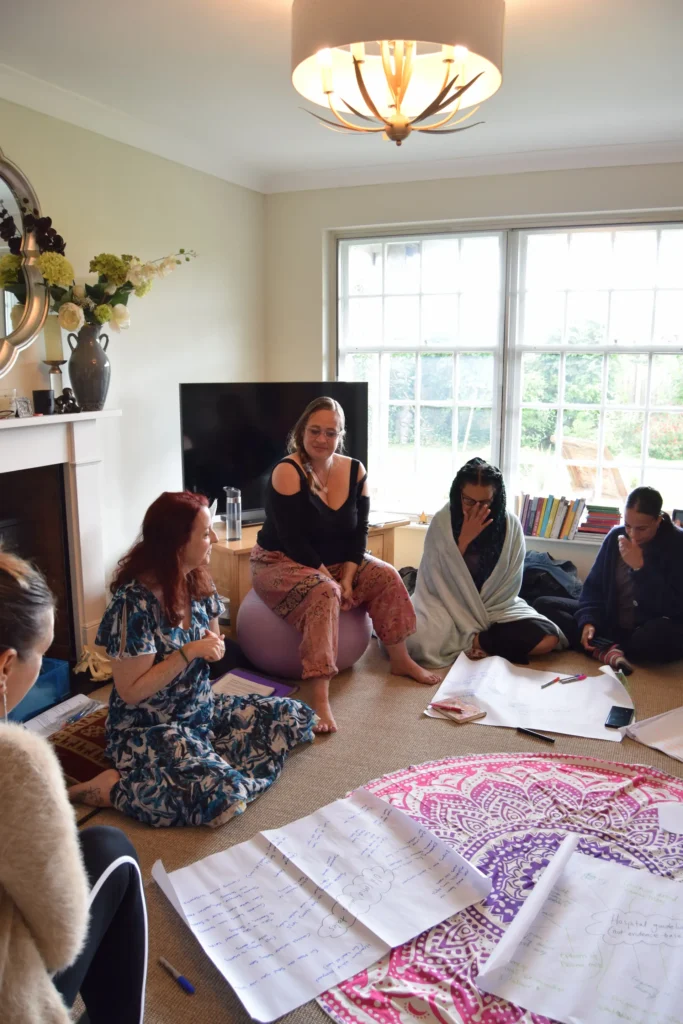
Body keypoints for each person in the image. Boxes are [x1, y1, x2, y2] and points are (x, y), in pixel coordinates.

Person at [68, 491, 317, 827]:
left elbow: (216, 642)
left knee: (294, 717)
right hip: (151, 728)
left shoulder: (198, 578)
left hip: (201, 712)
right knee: (224, 794)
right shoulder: (133, 604)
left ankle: (204, 758)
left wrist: (214, 647)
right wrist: (190, 652)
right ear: (176, 543)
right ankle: (111, 790)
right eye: (204, 533)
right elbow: (130, 691)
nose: (213, 537)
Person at [0, 551, 147, 1024]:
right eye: (41, 655)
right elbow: (62, 938)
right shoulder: (16, 761)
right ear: (5, 665)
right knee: (112, 848)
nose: (42, 669)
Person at [251, 396, 439, 734]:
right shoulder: (286, 471)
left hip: (337, 562)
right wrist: (333, 582)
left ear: (341, 435)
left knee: (386, 574)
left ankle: (400, 659)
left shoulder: (355, 470)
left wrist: (349, 579)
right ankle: (319, 694)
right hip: (281, 562)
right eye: (315, 431)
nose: (322, 439)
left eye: (331, 433)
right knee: (324, 594)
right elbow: (295, 542)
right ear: (301, 432)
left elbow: (359, 533)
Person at [407, 458, 565, 667]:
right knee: (413, 639)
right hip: (447, 607)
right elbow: (433, 580)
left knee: (548, 637)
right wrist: (463, 541)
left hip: (495, 608)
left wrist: (481, 621)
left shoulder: (511, 526)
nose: (475, 509)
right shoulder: (442, 521)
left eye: (485, 503)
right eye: (469, 501)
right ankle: (485, 642)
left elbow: (510, 586)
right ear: (458, 494)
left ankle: (476, 641)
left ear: (496, 498)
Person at [536, 486, 683, 671]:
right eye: (628, 526)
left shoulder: (677, 544)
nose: (633, 535)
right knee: (544, 604)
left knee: (655, 637)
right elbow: (593, 588)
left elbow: (674, 606)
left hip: (649, 627)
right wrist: (589, 621)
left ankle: (601, 646)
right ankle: (607, 649)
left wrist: (639, 568)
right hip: (612, 620)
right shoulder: (616, 536)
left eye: (642, 528)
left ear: (658, 520)